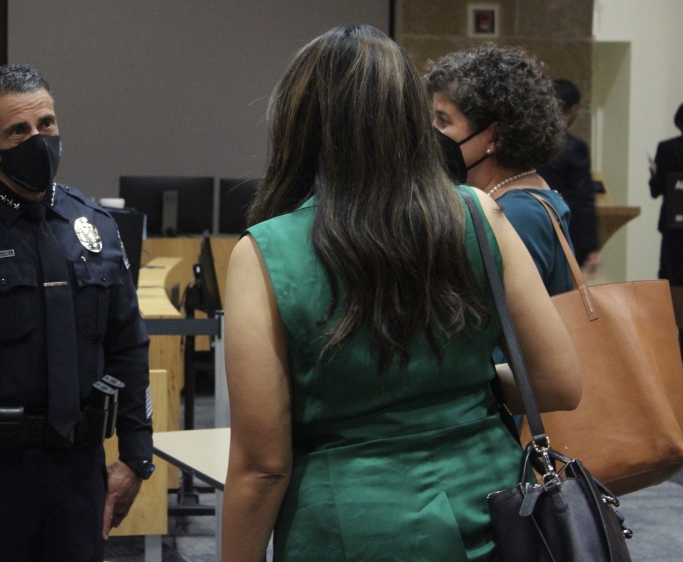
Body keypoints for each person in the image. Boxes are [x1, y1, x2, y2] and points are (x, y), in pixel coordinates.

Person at [220, 26, 581, 561]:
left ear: (296, 123)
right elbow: (559, 384)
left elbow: (263, 466)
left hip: (349, 528)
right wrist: (459, 386)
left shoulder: (264, 252)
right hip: (495, 515)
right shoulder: (479, 214)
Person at [0, 64, 153, 562]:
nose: (38, 140)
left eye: (46, 124)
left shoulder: (95, 227)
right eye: (18, 131)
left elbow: (127, 343)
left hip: (78, 468)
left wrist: (136, 454)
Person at [427, 45, 574, 299]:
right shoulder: (523, 196)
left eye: (444, 121)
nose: (432, 131)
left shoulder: (517, 214)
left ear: (495, 135)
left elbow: (499, 326)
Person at [538, 79, 600, 272]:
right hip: (565, 230)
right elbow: (582, 199)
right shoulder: (574, 147)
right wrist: (590, 245)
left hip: (534, 224)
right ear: (573, 109)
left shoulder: (532, 142)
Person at [649, 102, 683, 342]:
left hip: (674, 228)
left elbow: (657, 190)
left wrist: (653, 176)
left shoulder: (668, 148)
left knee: (673, 282)